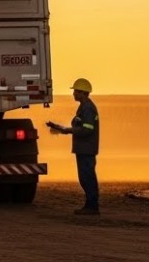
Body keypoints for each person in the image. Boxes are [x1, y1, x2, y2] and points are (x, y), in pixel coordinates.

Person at [46, 77, 100, 215]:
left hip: (86, 149)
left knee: (87, 178)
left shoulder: (88, 108)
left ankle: (92, 206)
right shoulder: (84, 107)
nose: (74, 94)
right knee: (85, 178)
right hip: (84, 148)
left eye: (76, 91)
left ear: (82, 93)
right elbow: (80, 127)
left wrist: (68, 130)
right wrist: (60, 128)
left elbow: (87, 129)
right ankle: (90, 205)